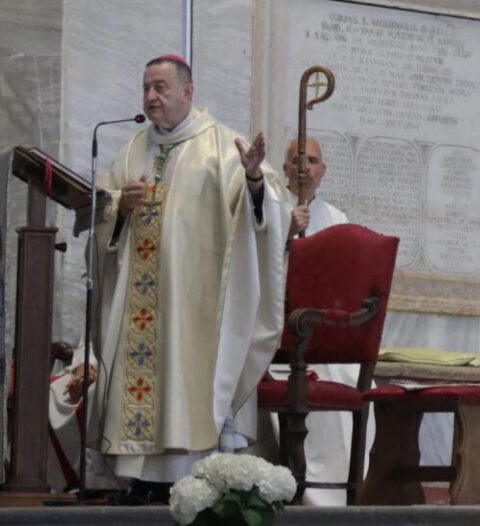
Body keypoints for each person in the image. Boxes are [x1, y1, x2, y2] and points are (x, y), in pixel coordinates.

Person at [85, 55, 292, 499]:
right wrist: (119, 205)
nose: (150, 97)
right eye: (145, 88)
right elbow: (97, 207)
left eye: (160, 88)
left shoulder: (221, 144)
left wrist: (255, 179)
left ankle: (187, 480)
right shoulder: (134, 147)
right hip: (139, 302)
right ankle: (139, 481)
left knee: (185, 384)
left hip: (195, 305)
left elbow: (268, 212)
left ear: (188, 92)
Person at [271, 137, 374, 506]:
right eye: (297, 160)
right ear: (284, 169)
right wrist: (283, 230)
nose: (305, 168)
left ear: (323, 170)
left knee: (354, 381)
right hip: (280, 337)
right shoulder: (269, 206)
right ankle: (307, 489)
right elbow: (250, 264)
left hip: (324, 336)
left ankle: (346, 488)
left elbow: (346, 283)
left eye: (312, 160)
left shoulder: (337, 219)